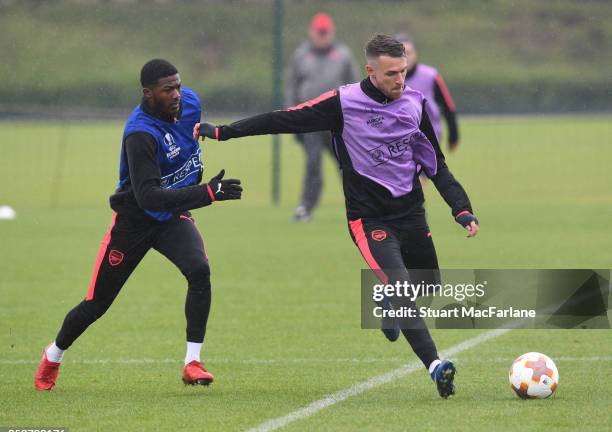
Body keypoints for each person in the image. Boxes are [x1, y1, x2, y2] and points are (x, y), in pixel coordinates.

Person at [194, 35, 479, 398]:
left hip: (411, 213)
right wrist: (223, 132)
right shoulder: (343, 103)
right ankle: (436, 367)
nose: (400, 80)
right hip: (369, 220)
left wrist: (461, 208)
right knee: (403, 286)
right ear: (370, 71)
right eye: (391, 73)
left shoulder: (414, 103)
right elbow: (285, 118)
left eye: (404, 71)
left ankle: (387, 302)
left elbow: (436, 164)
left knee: (429, 286)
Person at [34, 59, 243, 391]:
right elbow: (148, 197)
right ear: (148, 93)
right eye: (167, 89)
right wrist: (206, 193)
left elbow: (186, 145)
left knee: (199, 270)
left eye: (177, 85)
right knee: (96, 304)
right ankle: (53, 356)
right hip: (135, 221)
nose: (176, 94)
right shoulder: (140, 133)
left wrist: (201, 164)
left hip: (173, 216)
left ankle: (193, 362)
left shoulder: (191, 102)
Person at [285, 12, 361, 222]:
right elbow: (292, 86)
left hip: (337, 120)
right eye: (319, 33)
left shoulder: (343, 55)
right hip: (310, 120)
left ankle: (360, 204)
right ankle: (306, 207)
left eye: (325, 33)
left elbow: (354, 86)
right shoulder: (301, 55)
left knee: (347, 162)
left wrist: (353, 117)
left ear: (332, 32)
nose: (322, 37)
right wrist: (293, 115)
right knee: (313, 163)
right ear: (312, 32)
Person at [396, 33, 459, 151]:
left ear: (415, 54)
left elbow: (448, 106)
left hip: (430, 139)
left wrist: (453, 136)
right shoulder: (387, 79)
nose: (405, 57)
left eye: (408, 53)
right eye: (400, 54)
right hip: (399, 142)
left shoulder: (431, 76)